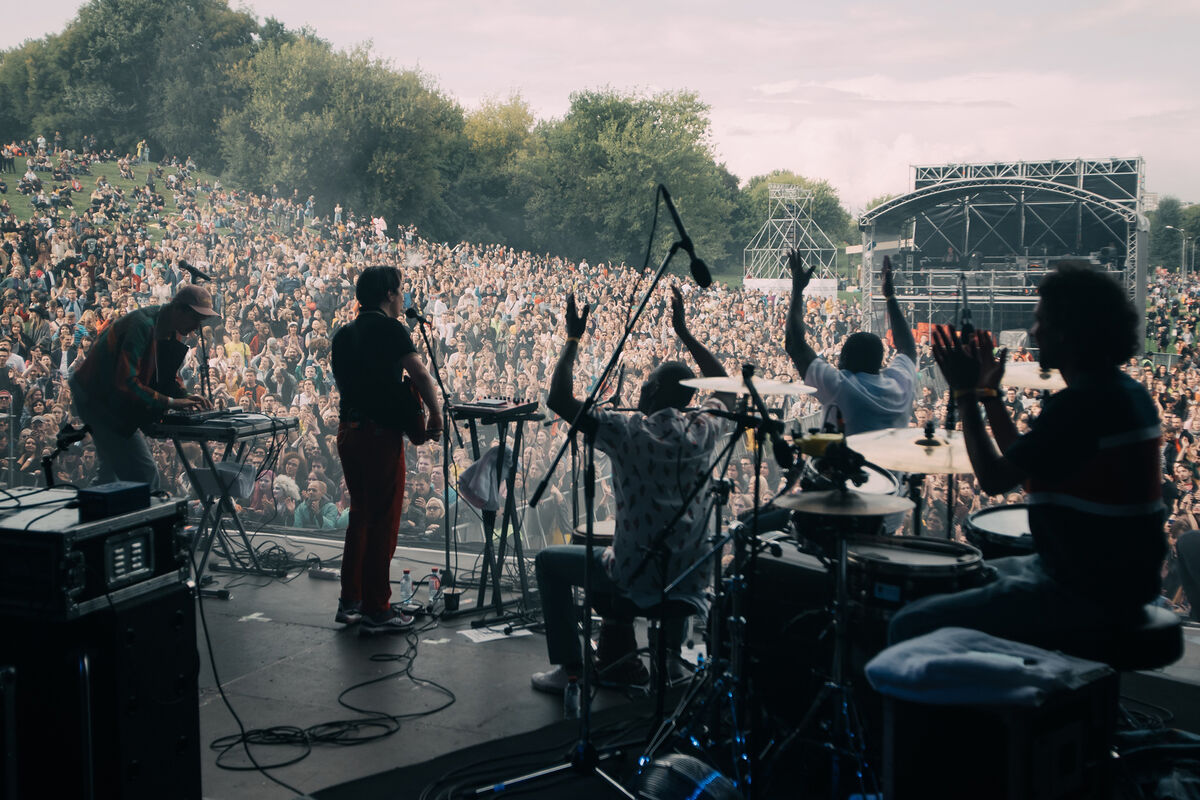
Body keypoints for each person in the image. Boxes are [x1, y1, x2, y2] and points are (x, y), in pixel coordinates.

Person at [889, 263, 1166, 650]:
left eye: (1041, 321)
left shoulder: (1083, 404)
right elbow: (1022, 462)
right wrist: (989, 394)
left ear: (1068, 332)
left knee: (910, 621)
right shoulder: (1125, 393)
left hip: (1083, 590)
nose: (1034, 333)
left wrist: (966, 394)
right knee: (962, 573)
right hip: (1115, 580)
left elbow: (995, 479)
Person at [530, 286, 733, 693]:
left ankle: (571, 671)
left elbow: (558, 398)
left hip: (635, 576)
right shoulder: (704, 429)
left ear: (654, 392)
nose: (638, 392)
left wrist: (572, 339)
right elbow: (725, 387)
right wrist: (686, 333)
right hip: (691, 578)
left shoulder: (627, 431)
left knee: (549, 562)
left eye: (644, 386)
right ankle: (669, 664)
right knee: (668, 551)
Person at [331, 266, 442, 634]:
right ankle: (378, 609)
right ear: (389, 295)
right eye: (401, 291)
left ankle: (351, 602)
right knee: (383, 522)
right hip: (380, 438)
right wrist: (436, 413)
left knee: (360, 517)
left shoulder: (342, 335)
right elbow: (421, 374)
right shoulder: (393, 329)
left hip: (349, 431)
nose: (403, 298)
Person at [69, 285, 216, 491]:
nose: (196, 327)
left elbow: (165, 377)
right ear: (178, 310)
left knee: (110, 473)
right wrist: (172, 402)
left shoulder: (172, 331)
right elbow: (126, 382)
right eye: (194, 320)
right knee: (144, 475)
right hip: (95, 398)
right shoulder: (141, 326)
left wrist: (187, 397)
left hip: (113, 399)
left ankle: (92, 515)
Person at [786, 251, 916, 436]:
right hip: (888, 466)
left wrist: (797, 289)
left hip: (845, 465)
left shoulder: (840, 387)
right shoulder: (899, 387)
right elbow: (907, 348)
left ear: (844, 360)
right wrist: (890, 297)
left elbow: (793, 343)